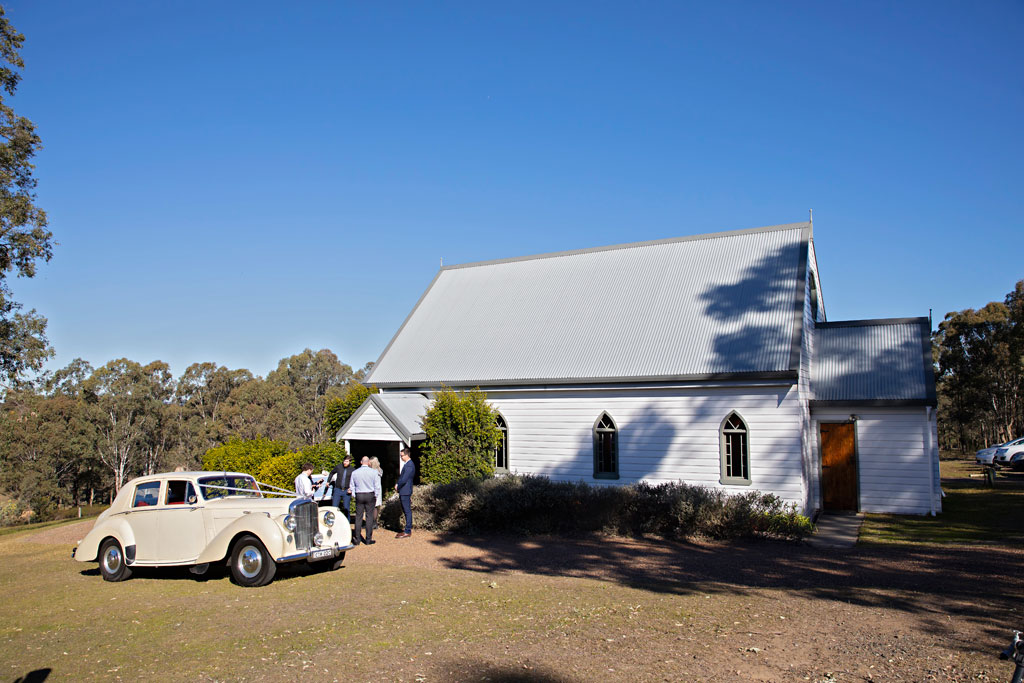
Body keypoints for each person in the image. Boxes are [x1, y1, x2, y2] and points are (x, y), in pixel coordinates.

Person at [349, 456, 381, 545]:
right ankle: (368, 539)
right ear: (368, 463)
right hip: (370, 494)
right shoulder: (374, 472)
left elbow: (352, 485)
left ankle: (357, 539)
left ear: (361, 462)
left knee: (358, 517)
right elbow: (377, 485)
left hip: (359, 494)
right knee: (369, 517)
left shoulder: (355, 472)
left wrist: (354, 495)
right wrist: (375, 495)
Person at [395, 445, 415, 538]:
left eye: (402, 455)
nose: (401, 457)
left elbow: (404, 478)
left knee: (407, 510)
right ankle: (407, 529)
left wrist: (398, 486)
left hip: (405, 490)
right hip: (404, 490)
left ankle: (407, 530)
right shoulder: (407, 465)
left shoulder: (409, 465)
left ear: (407, 455)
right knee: (405, 510)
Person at [327, 456, 354, 520]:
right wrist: (328, 481)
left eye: (347, 461)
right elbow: (331, 473)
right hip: (338, 489)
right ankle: (333, 522)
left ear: (350, 462)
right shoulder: (338, 467)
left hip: (346, 490)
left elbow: (355, 480)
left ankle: (347, 523)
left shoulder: (352, 470)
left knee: (346, 508)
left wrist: (352, 488)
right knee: (334, 507)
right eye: (344, 461)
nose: (345, 462)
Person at [368, 456, 383, 529]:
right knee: (375, 507)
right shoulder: (379, 470)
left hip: (374, 490)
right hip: (378, 489)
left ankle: (373, 523)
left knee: (373, 507)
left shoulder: (374, 472)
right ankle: (374, 522)